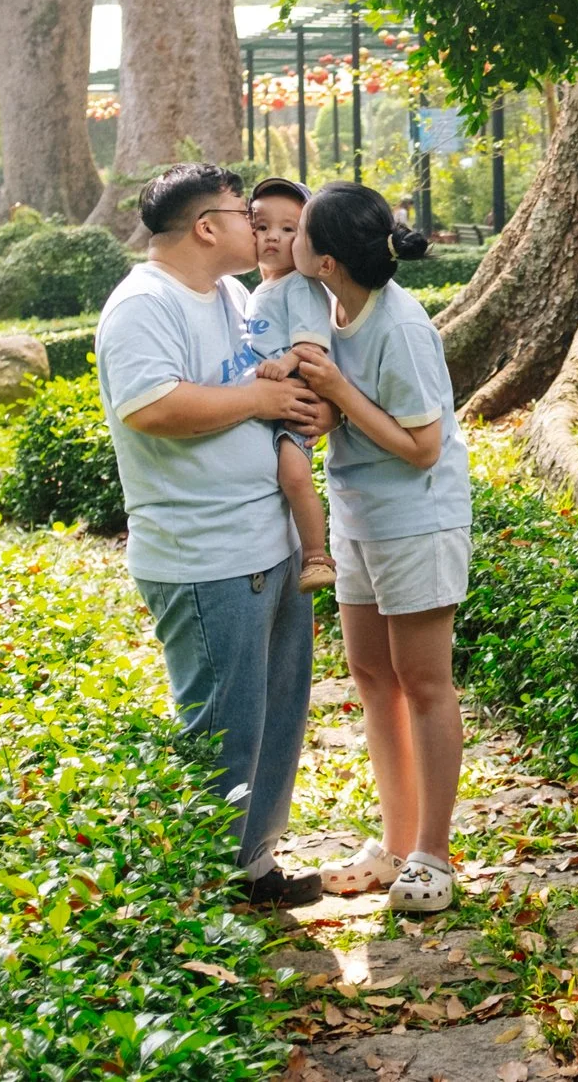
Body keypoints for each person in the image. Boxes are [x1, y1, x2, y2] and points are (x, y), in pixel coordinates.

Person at [93, 162, 333, 907]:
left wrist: (298, 406)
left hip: (270, 539)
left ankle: (253, 867)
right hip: (207, 555)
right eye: (243, 212)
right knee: (220, 729)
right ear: (206, 226)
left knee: (274, 715)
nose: (255, 226)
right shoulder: (143, 304)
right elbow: (153, 405)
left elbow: (262, 381)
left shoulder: (229, 294)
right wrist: (259, 395)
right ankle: (202, 894)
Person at [290, 180, 473, 914]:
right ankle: (395, 843)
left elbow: (423, 447)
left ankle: (434, 853)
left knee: (424, 680)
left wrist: (338, 387)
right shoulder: (328, 308)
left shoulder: (400, 328)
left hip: (418, 516)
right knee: (372, 674)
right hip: (359, 514)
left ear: (327, 259)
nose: (286, 239)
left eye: (297, 231)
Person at [244, 176, 337, 592]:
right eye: (261, 227)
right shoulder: (260, 288)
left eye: (288, 229)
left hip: (295, 391)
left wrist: (285, 363)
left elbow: (312, 344)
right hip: (268, 394)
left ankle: (316, 555)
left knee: (294, 472)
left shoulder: (300, 285)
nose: (272, 238)